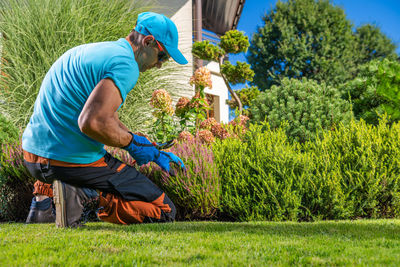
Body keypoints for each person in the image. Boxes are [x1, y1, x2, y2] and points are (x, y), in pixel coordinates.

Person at [22, 12, 187, 228]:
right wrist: (130, 143)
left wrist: (141, 144)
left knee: (103, 160)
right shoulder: (126, 65)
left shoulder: (93, 51)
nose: (159, 66)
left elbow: (106, 115)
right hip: (66, 161)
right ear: (148, 42)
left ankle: (42, 202)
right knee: (164, 210)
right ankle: (83, 193)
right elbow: (94, 123)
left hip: (33, 157)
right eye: (162, 57)